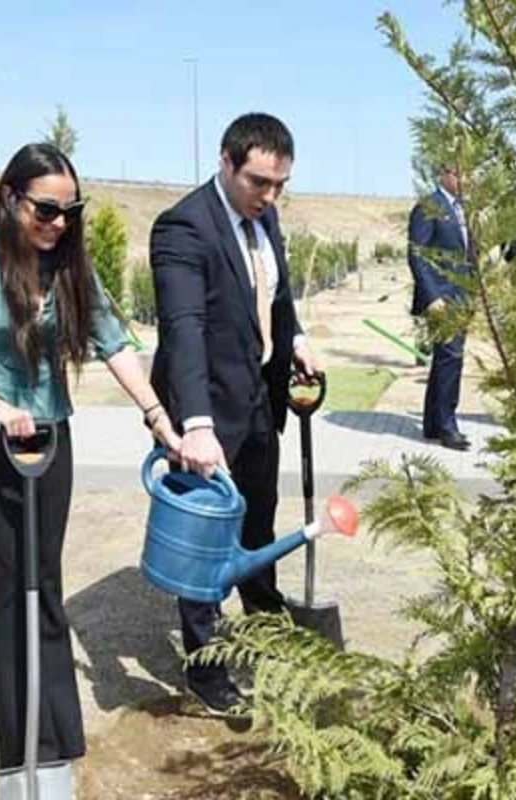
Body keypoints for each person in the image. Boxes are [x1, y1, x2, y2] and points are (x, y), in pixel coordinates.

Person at [0, 143, 181, 788]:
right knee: (12, 576)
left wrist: (157, 416)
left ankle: (56, 731)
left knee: (46, 574)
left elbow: (114, 343)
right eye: (46, 208)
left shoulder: (69, 265)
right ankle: (21, 745)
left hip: (49, 438)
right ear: (10, 197)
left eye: (70, 210)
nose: (58, 222)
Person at [148, 112, 318, 715]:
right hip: (205, 412)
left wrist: (294, 342)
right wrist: (194, 424)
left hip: (258, 399)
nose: (269, 197)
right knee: (203, 543)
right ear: (225, 161)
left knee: (257, 522)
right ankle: (206, 665)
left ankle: (262, 626)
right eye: (258, 182)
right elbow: (184, 329)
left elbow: (276, 295)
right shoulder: (182, 228)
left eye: (279, 185)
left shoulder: (264, 216)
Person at [407, 165, 472, 451]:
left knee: (445, 360)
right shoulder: (429, 206)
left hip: (463, 297)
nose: (466, 179)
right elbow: (417, 255)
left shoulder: (464, 210)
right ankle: (448, 426)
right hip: (442, 300)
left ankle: (434, 422)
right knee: (451, 358)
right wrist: (432, 296)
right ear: (444, 174)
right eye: (460, 173)